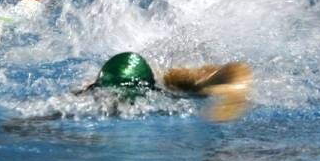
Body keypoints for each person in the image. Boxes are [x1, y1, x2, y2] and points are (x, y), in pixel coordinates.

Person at [81, 52, 252, 122]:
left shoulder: (170, 82)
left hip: (168, 66)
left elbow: (236, 70)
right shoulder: (91, 91)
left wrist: (235, 89)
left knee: (186, 80)